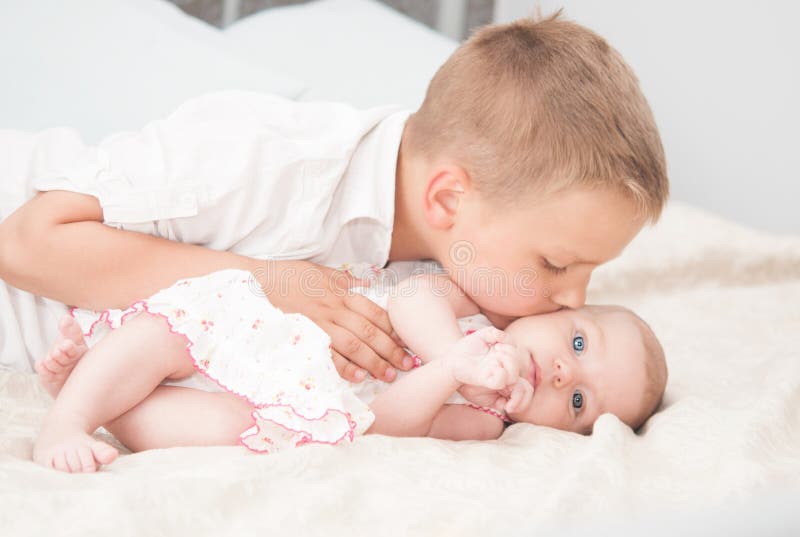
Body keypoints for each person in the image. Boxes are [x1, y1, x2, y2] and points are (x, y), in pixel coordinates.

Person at [0, 12, 667, 383]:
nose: (577, 299)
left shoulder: (455, 275)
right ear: (447, 200)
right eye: (556, 263)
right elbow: (26, 242)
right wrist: (270, 281)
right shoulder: (266, 158)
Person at [32, 269, 667, 473]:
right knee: (169, 333)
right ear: (561, 310)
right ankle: (68, 418)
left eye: (579, 403)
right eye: (579, 344)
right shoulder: (485, 304)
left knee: (233, 432)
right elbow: (413, 296)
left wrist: (448, 378)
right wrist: (455, 352)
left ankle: (102, 399)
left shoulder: (483, 423)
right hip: (272, 333)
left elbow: (383, 423)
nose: (561, 374)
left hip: (300, 403)